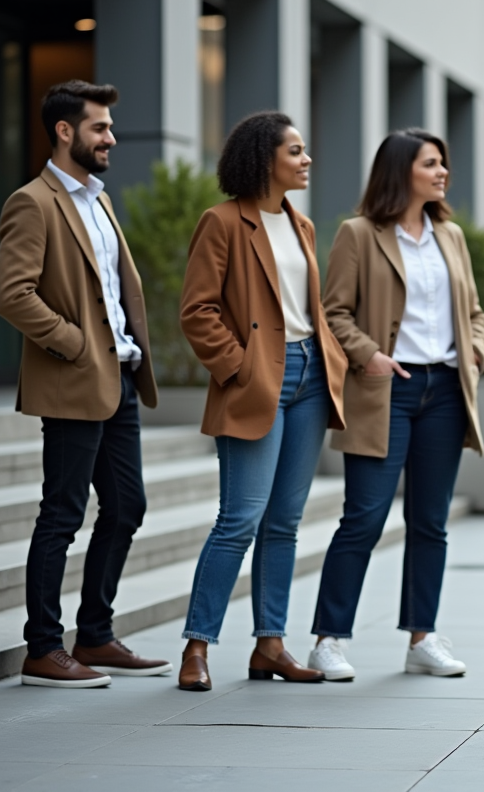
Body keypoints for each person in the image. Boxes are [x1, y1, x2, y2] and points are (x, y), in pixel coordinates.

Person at [0, 80, 170, 687]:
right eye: (100, 127)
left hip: (119, 379)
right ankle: (44, 648)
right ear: (65, 131)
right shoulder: (32, 202)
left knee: (127, 507)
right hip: (75, 380)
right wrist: (74, 343)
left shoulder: (98, 199)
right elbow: (12, 295)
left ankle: (94, 635)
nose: (111, 138)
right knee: (62, 514)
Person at [175, 112, 348, 691]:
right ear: (263, 159)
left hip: (308, 379)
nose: (306, 160)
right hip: (259, 379)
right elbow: (198, 311)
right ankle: (197, 646)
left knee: (285, 522)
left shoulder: (302, 226)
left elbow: (307, 310)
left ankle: (270, 644)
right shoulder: (222, 222)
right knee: (239, 518)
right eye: (295, 151)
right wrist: (240, 368)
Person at [309, 128, 484, 680]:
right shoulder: (358, 234)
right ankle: (328, 640)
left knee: (430, 521)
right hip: (387, 389)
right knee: (362, 518)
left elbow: (475, 312)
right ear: (400, 171)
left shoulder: (450, 236)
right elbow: (333, 312)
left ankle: (421, 637)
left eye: (443, 164)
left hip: (445, 392)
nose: (442, 173)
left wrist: (475, 352)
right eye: (431, 163)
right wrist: (369, 356)